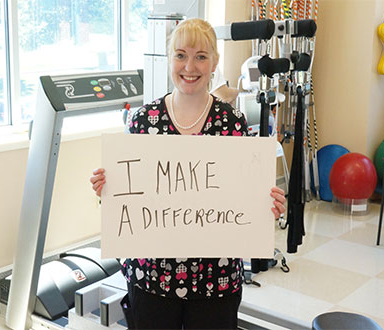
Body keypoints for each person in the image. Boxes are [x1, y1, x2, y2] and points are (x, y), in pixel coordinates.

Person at [90, 18, 286, 330]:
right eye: (180, 55)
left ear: (214, 63)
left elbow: (245, 196)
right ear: (170, 59)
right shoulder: (143, 121)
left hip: (216, 278)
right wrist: (107, 191)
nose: (189, 66)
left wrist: (269, 206)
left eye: (201, 56)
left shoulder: (232, 123)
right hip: (152, 277)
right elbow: (128, 201)